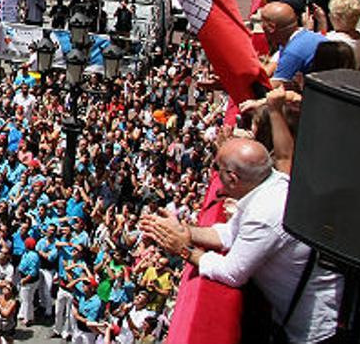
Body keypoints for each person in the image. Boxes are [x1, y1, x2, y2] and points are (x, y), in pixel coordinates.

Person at [141, 137, 343, 343]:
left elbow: (232, 272)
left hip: (318, 331)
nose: (215, 173)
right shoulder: (268, 185)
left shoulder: (264, 214)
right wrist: (185, 231)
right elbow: (229, 233)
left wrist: (185, 249)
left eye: (217, 167)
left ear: (232, 178)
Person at [261, 2, 327, 87]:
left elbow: (272, 87)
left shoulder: (292, 52)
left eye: (262, 22)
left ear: (271, 28)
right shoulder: (300, 36)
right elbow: (276, 65)